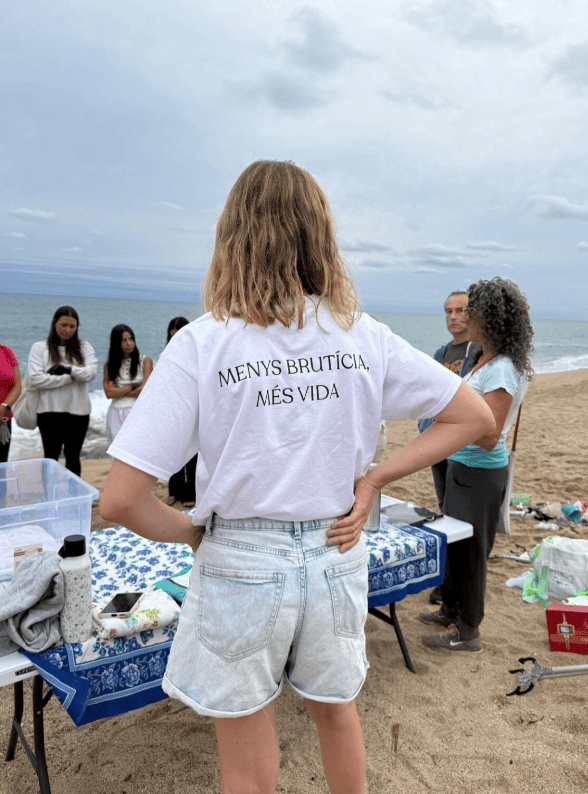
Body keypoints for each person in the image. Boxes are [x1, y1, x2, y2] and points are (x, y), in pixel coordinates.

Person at [100, 160, 493, 794]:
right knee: (337, 716)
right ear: (321, 237)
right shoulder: (362, 336)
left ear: (233, 236)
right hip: (335, 552)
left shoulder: (204, 344)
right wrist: (373, 480)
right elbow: (472, 417)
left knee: (247, 755)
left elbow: (119, 499)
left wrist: (191, 535)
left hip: (240, 553)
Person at [420, 277, 534, 654]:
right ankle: (450, 610)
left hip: (481, 473)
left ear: (491, 317)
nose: (465, 316)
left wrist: (447, 428)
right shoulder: (480, 358)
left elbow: (489, 434)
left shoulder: (500, 368)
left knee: (471, 556)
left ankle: (468, 631)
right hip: (461, 469)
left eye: (472, 310)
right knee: (454, 547)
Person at [418, 290, 480, 605]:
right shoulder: (441, 352)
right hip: (436, 443)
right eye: (448, 311)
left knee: (459, 518)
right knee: (444, 512)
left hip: (464, 448)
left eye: (460, 310)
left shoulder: (479, 351)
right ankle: (445, 582)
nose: (453, 317)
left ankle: (454, 586)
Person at [27, 306, 97, 476]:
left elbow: (91, 373)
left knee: (73, 457)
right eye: (64, 325)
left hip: (78, 412)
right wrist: (71, 377)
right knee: (50, 459)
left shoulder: (85, 347)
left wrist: (67, 369)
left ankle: (73, 500)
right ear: (54, 323)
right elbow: (35, 379)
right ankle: (50, 500)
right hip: (49, 412)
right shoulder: (39, 348)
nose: (67, 330)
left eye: (72, 327)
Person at [163, 317, 197, 507]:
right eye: (172, 336)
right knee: (174, 453)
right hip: (173, 409)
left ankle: (191, 492)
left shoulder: (197, 354)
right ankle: (174, 491)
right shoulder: (167, 355)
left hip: (192, 409)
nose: (175, 340)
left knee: (192, 454)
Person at [103, 324, 153, 448]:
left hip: (136, 410)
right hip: (114, 413)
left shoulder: (145, 361)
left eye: (131, 339)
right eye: (124, 340)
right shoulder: (109, 365)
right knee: (117, 453)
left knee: (137, 450)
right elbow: (109, 394)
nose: (129, 343)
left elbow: (144, 390)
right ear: (116, 343)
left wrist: (118, 391)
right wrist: (132, 387)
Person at [0, 344, 22, 463]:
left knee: (2, 469)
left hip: (3, 421)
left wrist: (4, 407)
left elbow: (17, 385)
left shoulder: (6, 351)